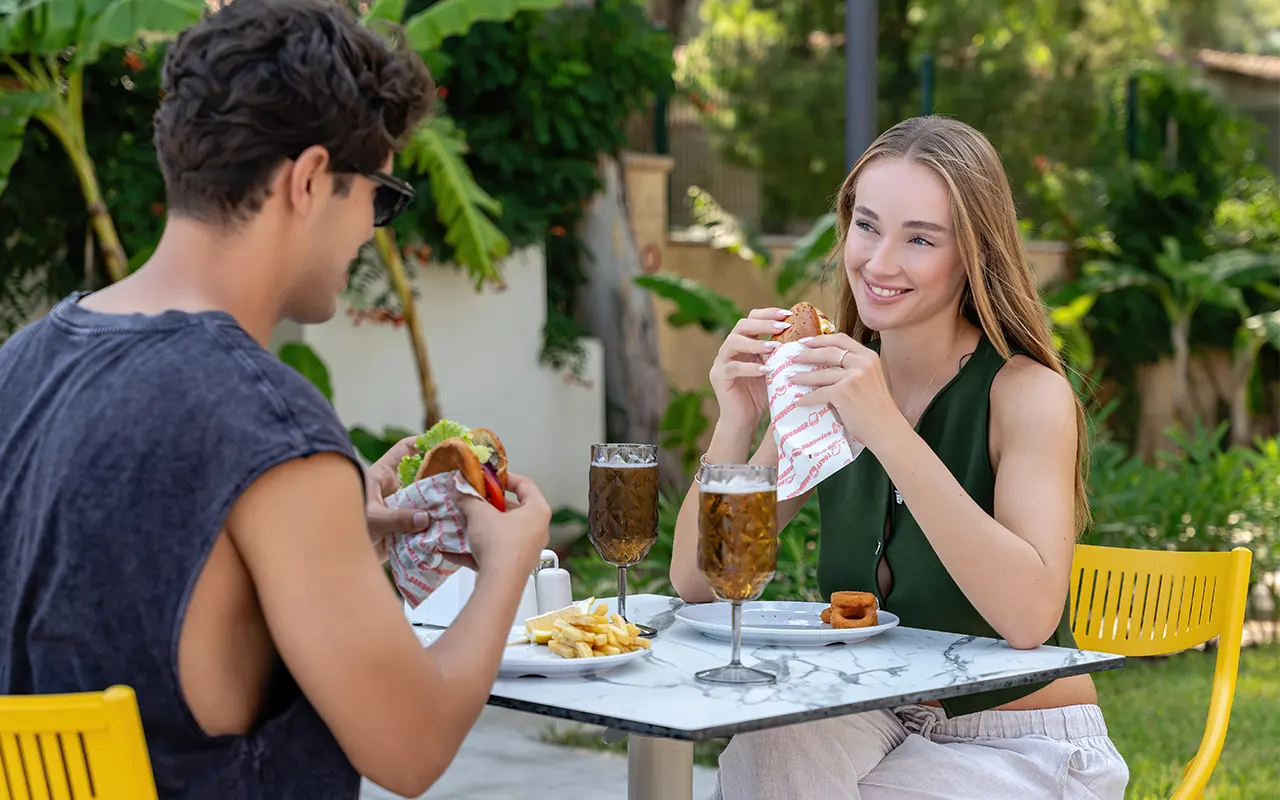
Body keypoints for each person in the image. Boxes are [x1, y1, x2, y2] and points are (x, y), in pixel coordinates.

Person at [0, 1, 550, 798]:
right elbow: (411, 747)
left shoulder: (22, 364)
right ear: (308, 181)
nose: (373, 232)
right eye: (379, 198)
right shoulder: (269, 426)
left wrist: (319, 541)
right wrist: (507, 562)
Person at [669, 116, 1129, 800]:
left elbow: (1030, 618)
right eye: (867, 226)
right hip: (872, 714)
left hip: (1022, 737)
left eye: (919, 239)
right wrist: (736, 422)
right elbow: (701, 581)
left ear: (972, 254)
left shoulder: (1026, 393)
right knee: (766, 745)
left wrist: (886, 428)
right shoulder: (824, 385)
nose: (879, 263)